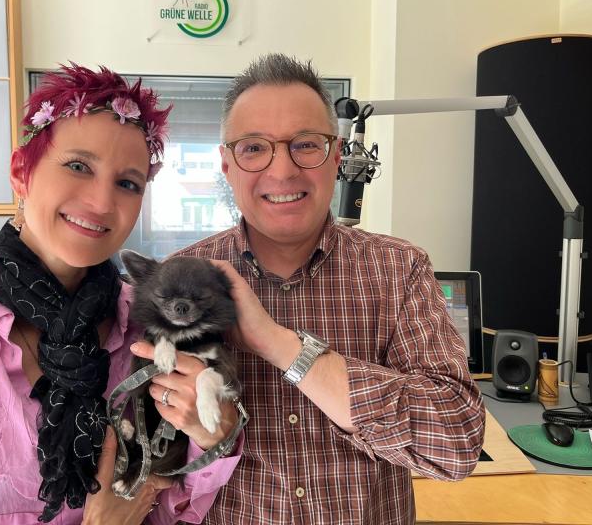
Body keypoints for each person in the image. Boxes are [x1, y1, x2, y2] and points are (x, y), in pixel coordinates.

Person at [0, 63, 241, 524]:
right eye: (78, 166)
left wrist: (216, 436)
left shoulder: (149, 330)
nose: (101, 202)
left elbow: (176, 503)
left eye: (127, 183)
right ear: (21, 172)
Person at [168, 53, 485, 524]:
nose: (282, 171)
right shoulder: (181, 281)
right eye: (253, 148)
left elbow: (457, 441)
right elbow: (153, 463)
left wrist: (279, 344)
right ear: (227, 165)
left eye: (305, 145)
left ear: (336, 157)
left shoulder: (399, 269)